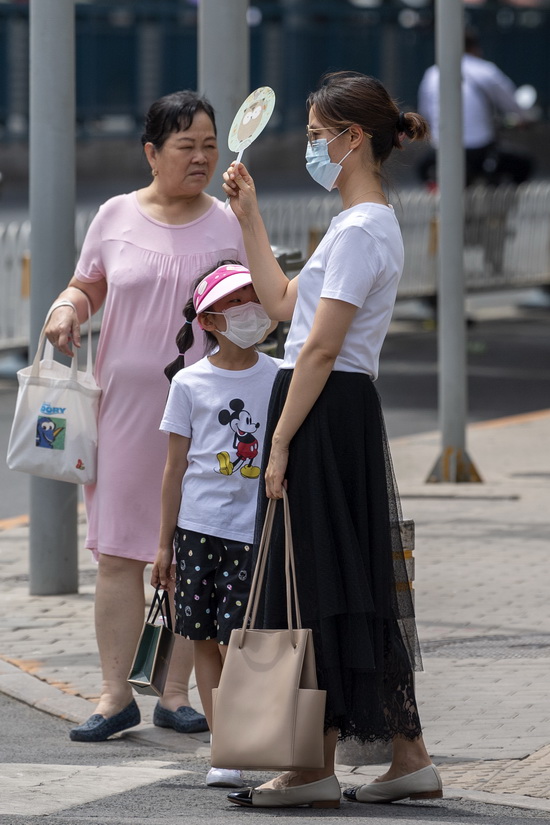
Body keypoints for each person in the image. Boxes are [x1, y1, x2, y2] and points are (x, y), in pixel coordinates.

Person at [221, 70, 443, 809]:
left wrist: (279, 442)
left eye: (319, 136)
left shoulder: (363, 227)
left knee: (311, 578)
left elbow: (317, 349)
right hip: (330, 405)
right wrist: (249, 216)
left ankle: (312, 768)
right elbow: (284, 305)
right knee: (348, 581)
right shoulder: (359, 225)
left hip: (322, 406)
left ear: (353, 140)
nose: (313, 147)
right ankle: (406, 754)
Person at [44, 90, 247, 742]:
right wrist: (68, 309)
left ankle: (175, 691)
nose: (200, 157)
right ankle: (112, 694)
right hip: (126, 413)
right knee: (116, 554)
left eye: (209, 145)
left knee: (193, 549)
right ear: (151, 151)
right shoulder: (114, 215)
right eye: (185, 145)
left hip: (208, 414)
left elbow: (254, 307)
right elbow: (89, 283)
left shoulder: (227, 223)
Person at [151, 262, 279, 788]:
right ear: (208, 319)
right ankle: (224, 749)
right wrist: (163, 546)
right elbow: (174, 468)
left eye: (253, 296)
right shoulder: (188, 383)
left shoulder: (279, 375)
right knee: (203, 638)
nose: (250, 307)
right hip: (198, 530)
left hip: (255, 532)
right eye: (235, 301)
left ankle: (254, 738)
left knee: (241, 641)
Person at [417, 27, 533, 188]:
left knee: (422, 169)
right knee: (524, 164)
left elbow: (425, 114)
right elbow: (512, 104)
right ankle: (500, 207)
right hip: (479, 150)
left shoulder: (432, 74)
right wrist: (524, 118)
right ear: (475, 48)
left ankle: (436, 207)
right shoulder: (486, 70)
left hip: (442, 150)